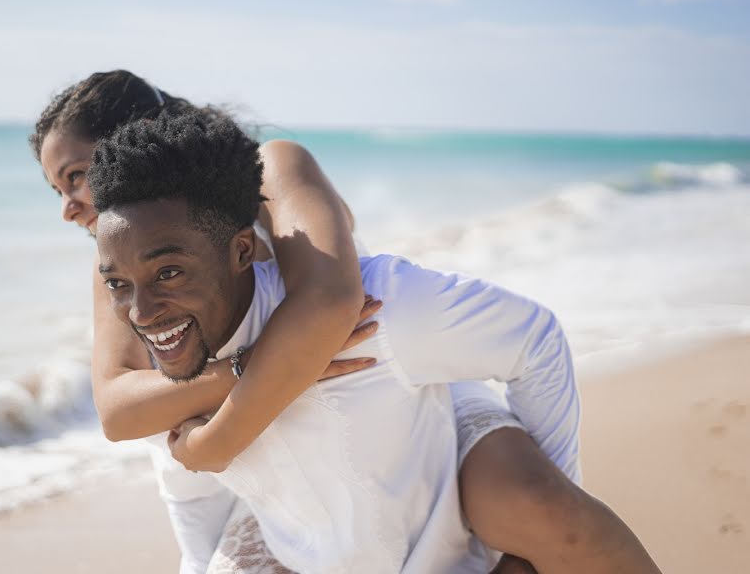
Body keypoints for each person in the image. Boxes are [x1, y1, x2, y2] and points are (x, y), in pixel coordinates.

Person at [32, 71, 659, 573]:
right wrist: (246, 389)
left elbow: (331, 305)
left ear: (140, 136)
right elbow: (118, 408)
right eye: (56, 188)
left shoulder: (268, 171)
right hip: (270, 452)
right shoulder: (118, 266)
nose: (66, 208)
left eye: (77, 177)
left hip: (399, 393)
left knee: (539, 509)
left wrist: (217, 440)